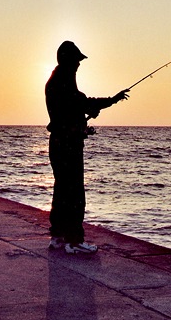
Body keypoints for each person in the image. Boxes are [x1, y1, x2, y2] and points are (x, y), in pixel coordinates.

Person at [45, 41, 129, 254]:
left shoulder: (56, 80)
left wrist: (83, 120)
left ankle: (58, 237)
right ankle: (74, 241)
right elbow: (82, 103)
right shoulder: (63, 81)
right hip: (67, 145)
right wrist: (112, 100)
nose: (79, 64)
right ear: (68, 59)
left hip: (59, 142)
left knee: (62, 190)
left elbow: (72, 109)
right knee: (74, 193)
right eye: (77, 60)